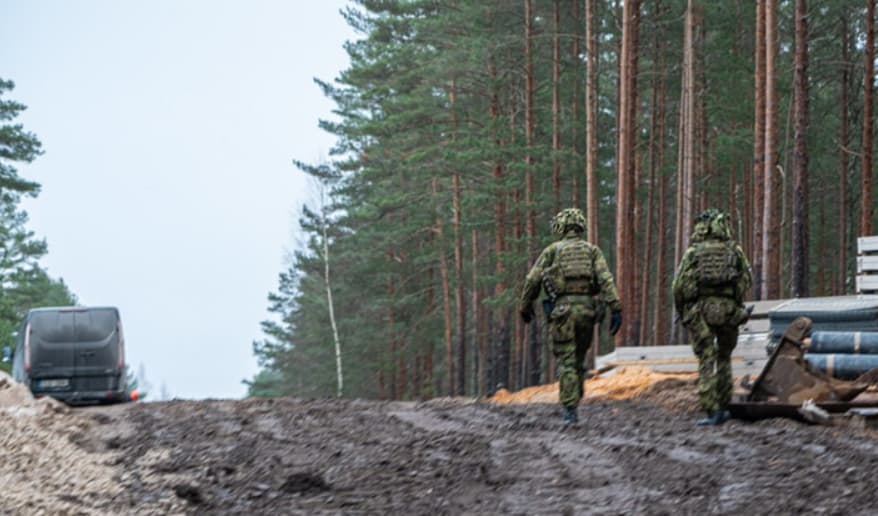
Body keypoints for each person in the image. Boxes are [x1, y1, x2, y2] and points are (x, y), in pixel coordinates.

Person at [519, 208, 622, 424]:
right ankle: (575, 394)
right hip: (587, 311)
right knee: (577, 359)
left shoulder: (552, 251)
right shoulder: (592, 251)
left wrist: (525, 306)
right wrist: (615, 307)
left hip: (563, 312)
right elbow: (605, 279)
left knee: (566, 360)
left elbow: (532, 280)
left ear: (561, 227)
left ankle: (570, 410)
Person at [672, 209, 752, 426]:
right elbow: (746, 280)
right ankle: (724, 406)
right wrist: (736, 306)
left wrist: (682, 313)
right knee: (724, 358)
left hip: (700, 311)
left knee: (706, 360)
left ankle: (711, 410)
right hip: (728, 310)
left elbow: (678, 287)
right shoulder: (734, 252)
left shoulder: (693, 253)